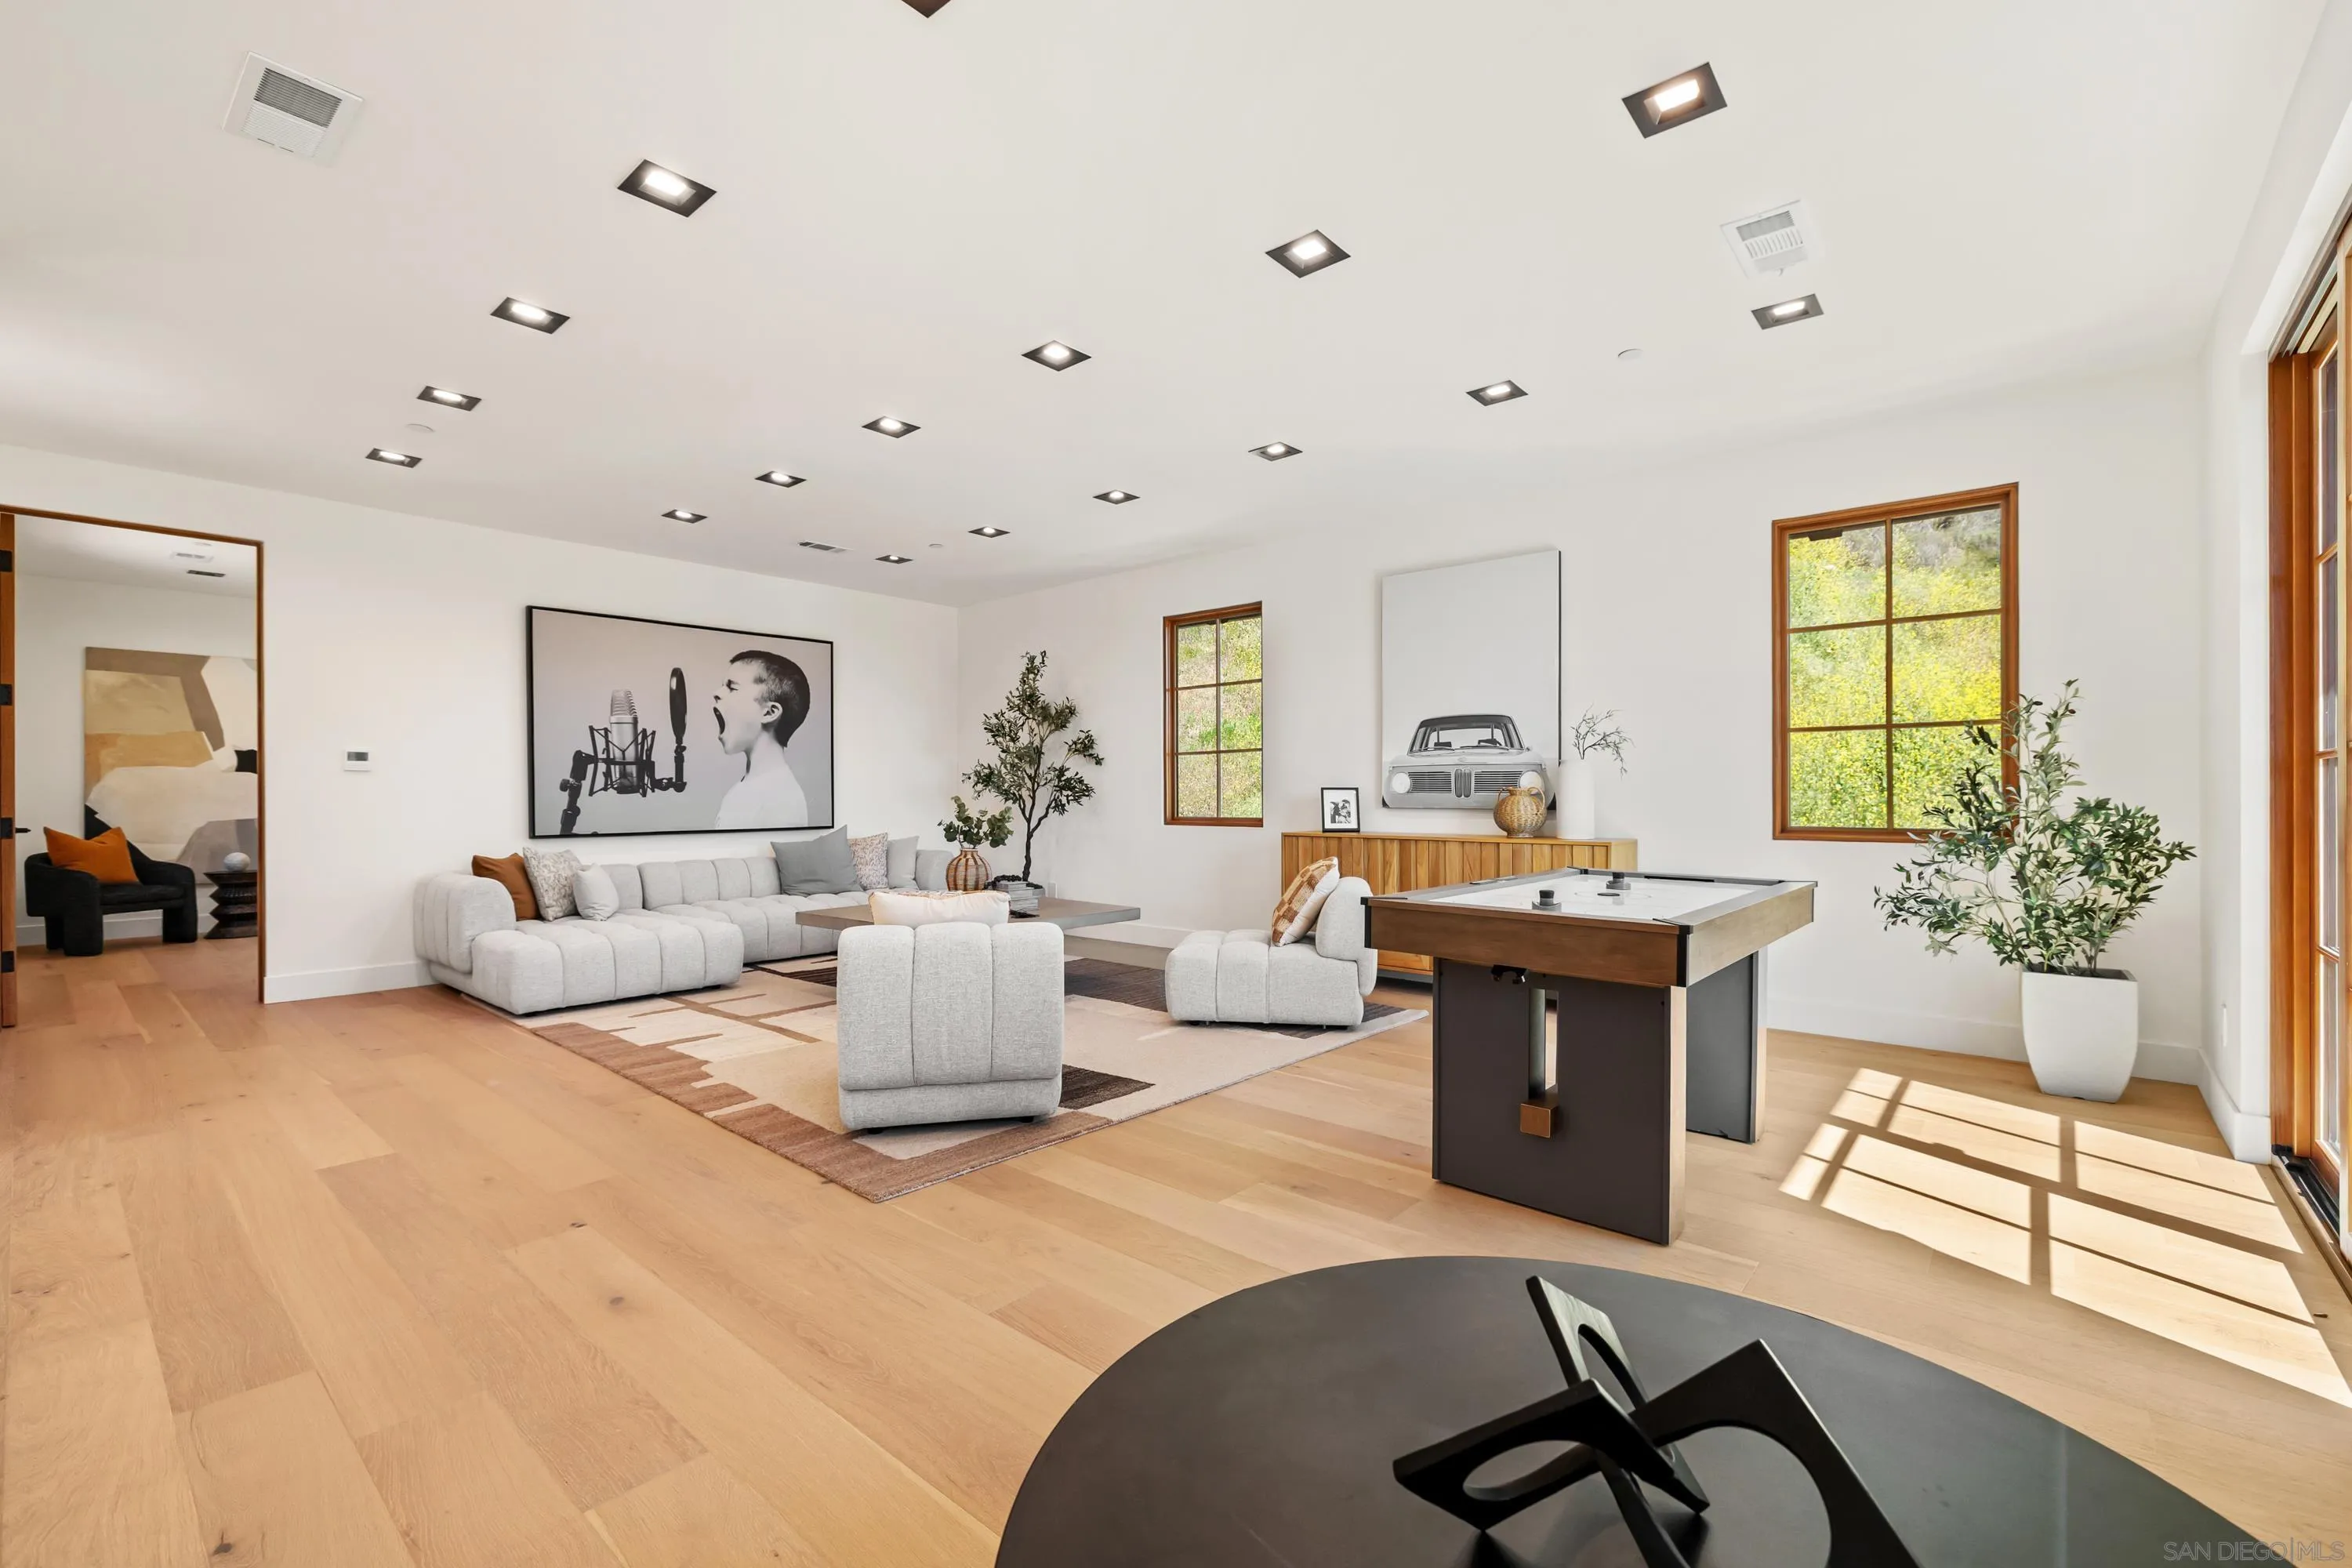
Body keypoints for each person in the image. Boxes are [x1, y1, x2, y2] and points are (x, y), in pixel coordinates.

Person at [712, 650, 812, 829]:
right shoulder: (746, 788)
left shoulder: (782, 799)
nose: (717, 693)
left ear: (769, 712)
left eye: (732, 688)